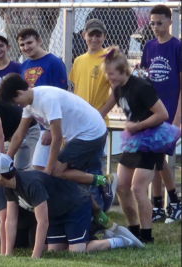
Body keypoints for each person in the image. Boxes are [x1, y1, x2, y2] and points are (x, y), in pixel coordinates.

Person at [0, 153, 144, 258]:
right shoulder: (8, 187)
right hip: (57, 214)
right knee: (54, 252)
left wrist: (35, 257)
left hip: (75, 206)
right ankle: (91, 232)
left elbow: (42, 222)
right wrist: (6, 254)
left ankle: (119, 241)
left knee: (77, 252)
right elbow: (11, 221)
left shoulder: (31, 184)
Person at [0, 73, 118, 217]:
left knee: (57, 171)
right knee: (75, 176)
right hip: (82, 134)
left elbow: (57, 138)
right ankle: (102, 192)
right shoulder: (29, 104)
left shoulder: (47, 99)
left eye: (15, 101)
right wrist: (6, 159)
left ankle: (100, 197)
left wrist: (48, 172)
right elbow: (19, 134)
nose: (17, 105)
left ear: (19, 92)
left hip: (90, 133)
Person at [102, 46, 180, 243]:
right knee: (121, 185)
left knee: (138, 188)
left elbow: (162, 115)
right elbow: (105, 108)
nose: (109, 79)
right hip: (134, 138)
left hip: (152, 139)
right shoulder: (117, 88)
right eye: (107, 75)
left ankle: (147, 235)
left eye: (112, 75)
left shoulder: (141, 87)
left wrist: (138, 126)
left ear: (123, 71)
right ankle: (133, 229)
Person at [69, 19, 117, 211]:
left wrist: (101, 113)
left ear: (104, 36)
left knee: (92, 166)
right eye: (91, 34)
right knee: (78, 167)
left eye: (99, 35)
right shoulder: (79, 60)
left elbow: (117, 91)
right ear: (84, 36)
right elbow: (75, 90)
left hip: (96, 123)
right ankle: (86, 205)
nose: (94, 38)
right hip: (78, 123)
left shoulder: (108, 57)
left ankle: (99, 206)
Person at [140, 4, 181, 223]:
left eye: (160, 23)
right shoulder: (149, 46)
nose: (155, 27)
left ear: (170, 21)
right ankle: (159, 205)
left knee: (159, 157)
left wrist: (177, 117)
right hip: (151, 111)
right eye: (152, 23)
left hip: (170, 111)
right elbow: (146, 78)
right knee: (155, 157)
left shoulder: (177, 47)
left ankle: (173, 202)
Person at [17, 28, 68, 171]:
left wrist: (50, 131)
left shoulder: (54, 62)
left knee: (53, 168)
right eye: (22, 44)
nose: (26, 47)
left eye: (29, 42)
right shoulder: (24, 66)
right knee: (40, 167)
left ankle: (99, 183)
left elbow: (61, 96)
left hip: (56, 123)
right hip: (37, 122)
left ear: (39, 41)